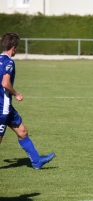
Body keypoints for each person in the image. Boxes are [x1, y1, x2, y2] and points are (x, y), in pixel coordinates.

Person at [0, 32, 55, 169]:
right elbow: (5, 83)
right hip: (2, 108)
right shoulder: (9, 62)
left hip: (7, 107)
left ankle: (36, 161)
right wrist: (16, 94)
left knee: (22, 131)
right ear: (13, 47)